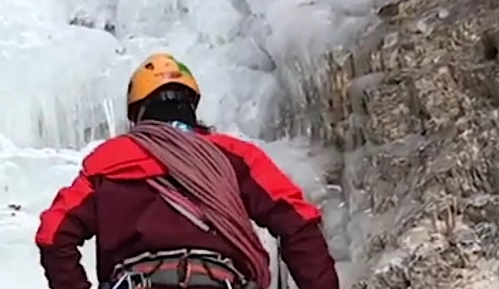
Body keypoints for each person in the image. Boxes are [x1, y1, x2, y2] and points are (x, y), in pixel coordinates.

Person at [35, 52, 339, 289]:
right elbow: (299, 224)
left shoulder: (109, 159)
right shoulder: (235, 154)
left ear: (138, 112)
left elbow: (53, 235)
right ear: (191, 104)